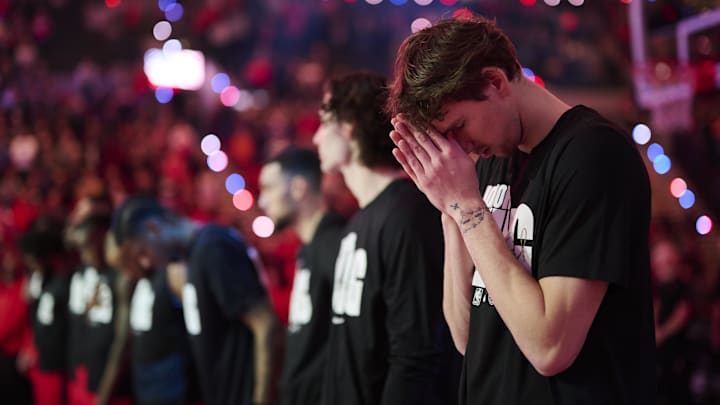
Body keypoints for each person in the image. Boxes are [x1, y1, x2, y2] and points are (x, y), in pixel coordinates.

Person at [386, 14, 656, 404]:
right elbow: (466, 336)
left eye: (458, 126)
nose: (458, 148)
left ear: (495, 82)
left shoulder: (593, 155)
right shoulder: (490, 160)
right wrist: (449, 209)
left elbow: (551, 348)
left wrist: (464, 206)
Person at [312, 72, 460, 405]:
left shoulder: (408, 216)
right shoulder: (359, 223)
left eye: (324, 122)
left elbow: (416, 353)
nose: (316, 138)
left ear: (349, 126)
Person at [111, 195, 283, 405]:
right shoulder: (193, 255)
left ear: (153, 228)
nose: (145, 263)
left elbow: (266, 325)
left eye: (142, 252)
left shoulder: (212, 247)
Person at [258, 146, 347, 405]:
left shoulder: (334, 245)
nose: (262, 201)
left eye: (268, 188)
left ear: (298, 188)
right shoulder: (309, 248)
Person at [19, 215, 73, 405]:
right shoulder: (40, 281)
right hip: (40, 362)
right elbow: (35, 320)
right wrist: (29, 348)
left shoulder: (63, 284)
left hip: (56, 365)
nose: (31, 265)